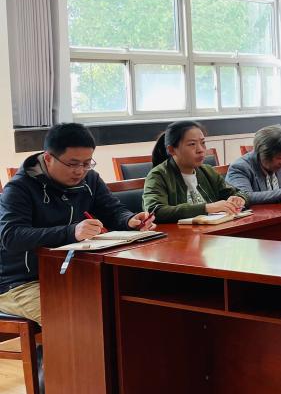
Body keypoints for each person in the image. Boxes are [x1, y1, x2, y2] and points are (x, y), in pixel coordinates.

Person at [0, 123, 155, 325]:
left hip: (75, 273)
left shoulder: (90, 179)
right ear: (48, 158)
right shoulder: (20, 188)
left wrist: (129, 220)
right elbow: (11, 236)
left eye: (87, 163)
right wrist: (71, 232)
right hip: (21, 282)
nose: (80, 171)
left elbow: (112, 210)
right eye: (72, 164)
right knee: (73, 319)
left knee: (126, 303)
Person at [143, 121, 248, 223]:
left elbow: (239, 192)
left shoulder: (208, 171)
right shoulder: (158, 176)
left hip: (213, 231)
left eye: (203, 143)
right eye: (192, 144)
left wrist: (239, 198)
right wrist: (207, 208)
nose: (200, 150)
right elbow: (154, 211)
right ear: (172, 150)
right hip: (181, 234)